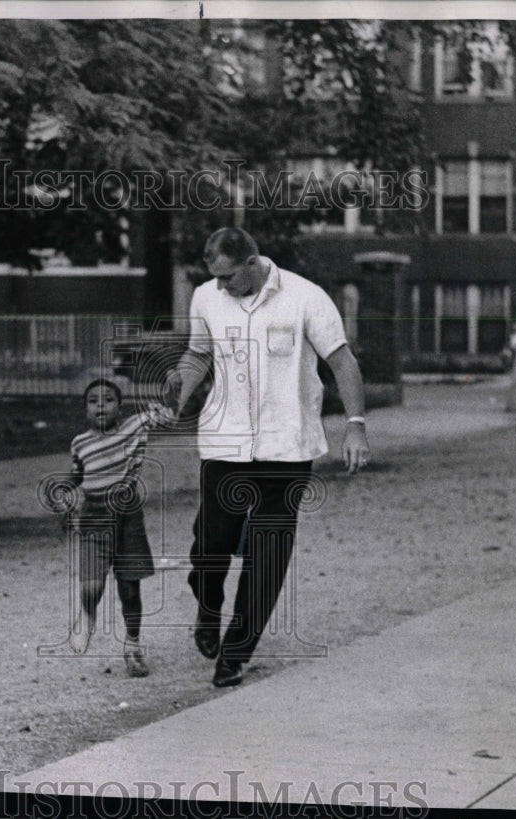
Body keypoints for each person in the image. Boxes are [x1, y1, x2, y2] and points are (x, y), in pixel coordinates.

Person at [175, 227, 371, 687]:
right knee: (210, 544)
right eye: (215, 278)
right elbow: (197, 355)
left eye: (228, 277)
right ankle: (208, 607)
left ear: (252, 262)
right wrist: (175, 398)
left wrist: (356, 426)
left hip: (287, 447)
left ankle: (236, 652)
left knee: (267, 554)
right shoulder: (205, 297)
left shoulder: (306, 297)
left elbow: (341, 362)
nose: (221, 287)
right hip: (224, 442)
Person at [48, 378, 174, 677]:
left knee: (129, 587)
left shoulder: (134, 427)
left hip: (128, 517)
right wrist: (63, 495)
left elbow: (167, 415)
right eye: (93, 401)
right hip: (93, 517)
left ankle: (132, 646)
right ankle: (88, 613)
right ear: (85, 409)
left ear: (120, 406)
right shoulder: (80, 443)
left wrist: (171, 397)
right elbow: (78, 474)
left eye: (108, 400)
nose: (101, 406)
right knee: (92, 586)